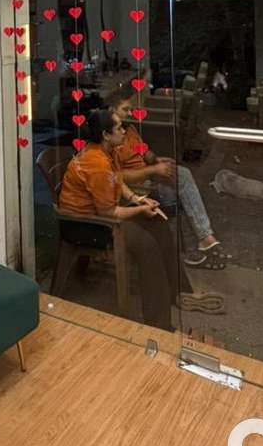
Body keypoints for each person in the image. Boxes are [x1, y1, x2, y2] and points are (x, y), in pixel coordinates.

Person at [59, 108, 223, 329]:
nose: (123, 131)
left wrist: (137, 199)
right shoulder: (96, 163)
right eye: (118, 128)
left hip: (99, 215)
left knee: (159, 223)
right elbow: (110, 213)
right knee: (147, 246)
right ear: (106, 135)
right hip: (86, 225)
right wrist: (140, 210)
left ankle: (180, 292)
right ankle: (159, 323)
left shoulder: (106, 152)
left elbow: (118, 180)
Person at [107, 86, 223, 266]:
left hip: (148, 178)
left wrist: (155, 159)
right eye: (125, 109)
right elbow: (118, 177)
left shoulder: (129, 130)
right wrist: (153, 170)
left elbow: (143, 151)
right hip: (138, 190)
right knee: (183, 189)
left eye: (131, 109)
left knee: (181, 177)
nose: (130, 113)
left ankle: (201, 241)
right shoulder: (112, 138)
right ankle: (203, 240)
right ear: (111, 111)